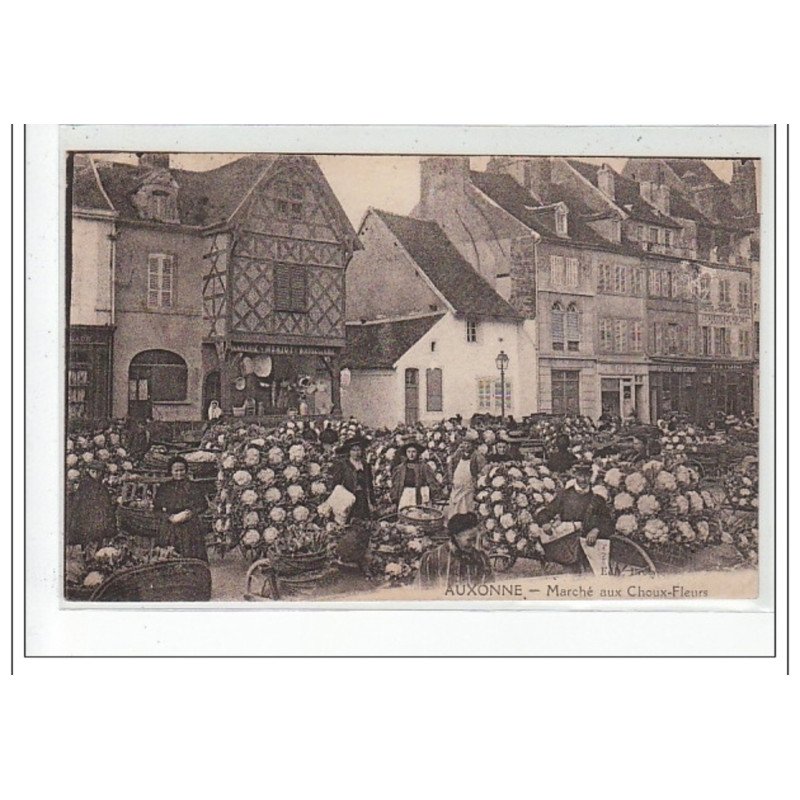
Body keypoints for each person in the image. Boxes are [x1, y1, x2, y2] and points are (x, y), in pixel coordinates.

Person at [534, 464, 614, 574]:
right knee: (571, 575)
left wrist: (596, 530)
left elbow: (607, 520)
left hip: (589, 544)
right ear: (575, 475)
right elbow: (546, 512)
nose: (584, 479)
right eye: (580, 475)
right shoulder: (564, 495)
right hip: (569, 543)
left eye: (587, 475)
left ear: (591, 475)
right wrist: (544, 523)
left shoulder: (597, 499)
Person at [154, 456, 209, 562]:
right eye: (176, 471)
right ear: (171, 471)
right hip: (170, 524)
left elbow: (203, 505)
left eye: (182, 470)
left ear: (186, 470)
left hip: (190, 524)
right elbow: (157, 509)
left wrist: (190, 513)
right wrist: (169, 517)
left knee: (192, 555)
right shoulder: (164, 488)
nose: (179, 473)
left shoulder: (193, 486)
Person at [418, 512, 492, 589]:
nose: (474, 544)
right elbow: (421, 590)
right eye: (470, 540)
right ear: (456, 536)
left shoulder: (482, 560)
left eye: (476, 539)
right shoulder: (432, 559)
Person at [67, 460, 116, 555]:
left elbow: (106, 503)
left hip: (99, 517)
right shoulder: (84, 485)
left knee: (98, 537)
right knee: (88, 539)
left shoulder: (102, 487)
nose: (96, 474)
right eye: (93, 471)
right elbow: (78, 503)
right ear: (88, 471)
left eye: (99, 472)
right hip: (87, 517)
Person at [330, 436, 375, 522]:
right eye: (353, 450)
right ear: (349, 452)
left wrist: (372, 501)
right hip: (348, 497)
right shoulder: (344, 465)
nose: (356, 453)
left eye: (358, 450)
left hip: (362, 497)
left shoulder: (365, 465)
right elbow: (336, 482)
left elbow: (369, 484)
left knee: (362, 520)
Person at [391, 441, 438, 511]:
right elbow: (396, 485)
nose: (411, 454)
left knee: (420, 513)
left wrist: (434, 496)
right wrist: (395, 498)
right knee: (405, 513)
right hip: (406, 494)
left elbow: (432, 482)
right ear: (406, 453)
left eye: (413, 452)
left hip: (421, 494)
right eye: (409, 452)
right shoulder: (401, 468)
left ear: (417, 453)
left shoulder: (424, 467)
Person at [446, 439, 485, 518]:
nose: (466, 446)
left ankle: (465, 520)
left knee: (466, 505)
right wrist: (450, 480)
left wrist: (476, 481)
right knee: (455, 504)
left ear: (473, 445)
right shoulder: (458, 455)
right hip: (456, 486)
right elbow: (451, 466)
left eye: (469, 444)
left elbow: (482, 470)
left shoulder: (477, 456)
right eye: (465, 443)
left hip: (468, 486)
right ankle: (453, 519)